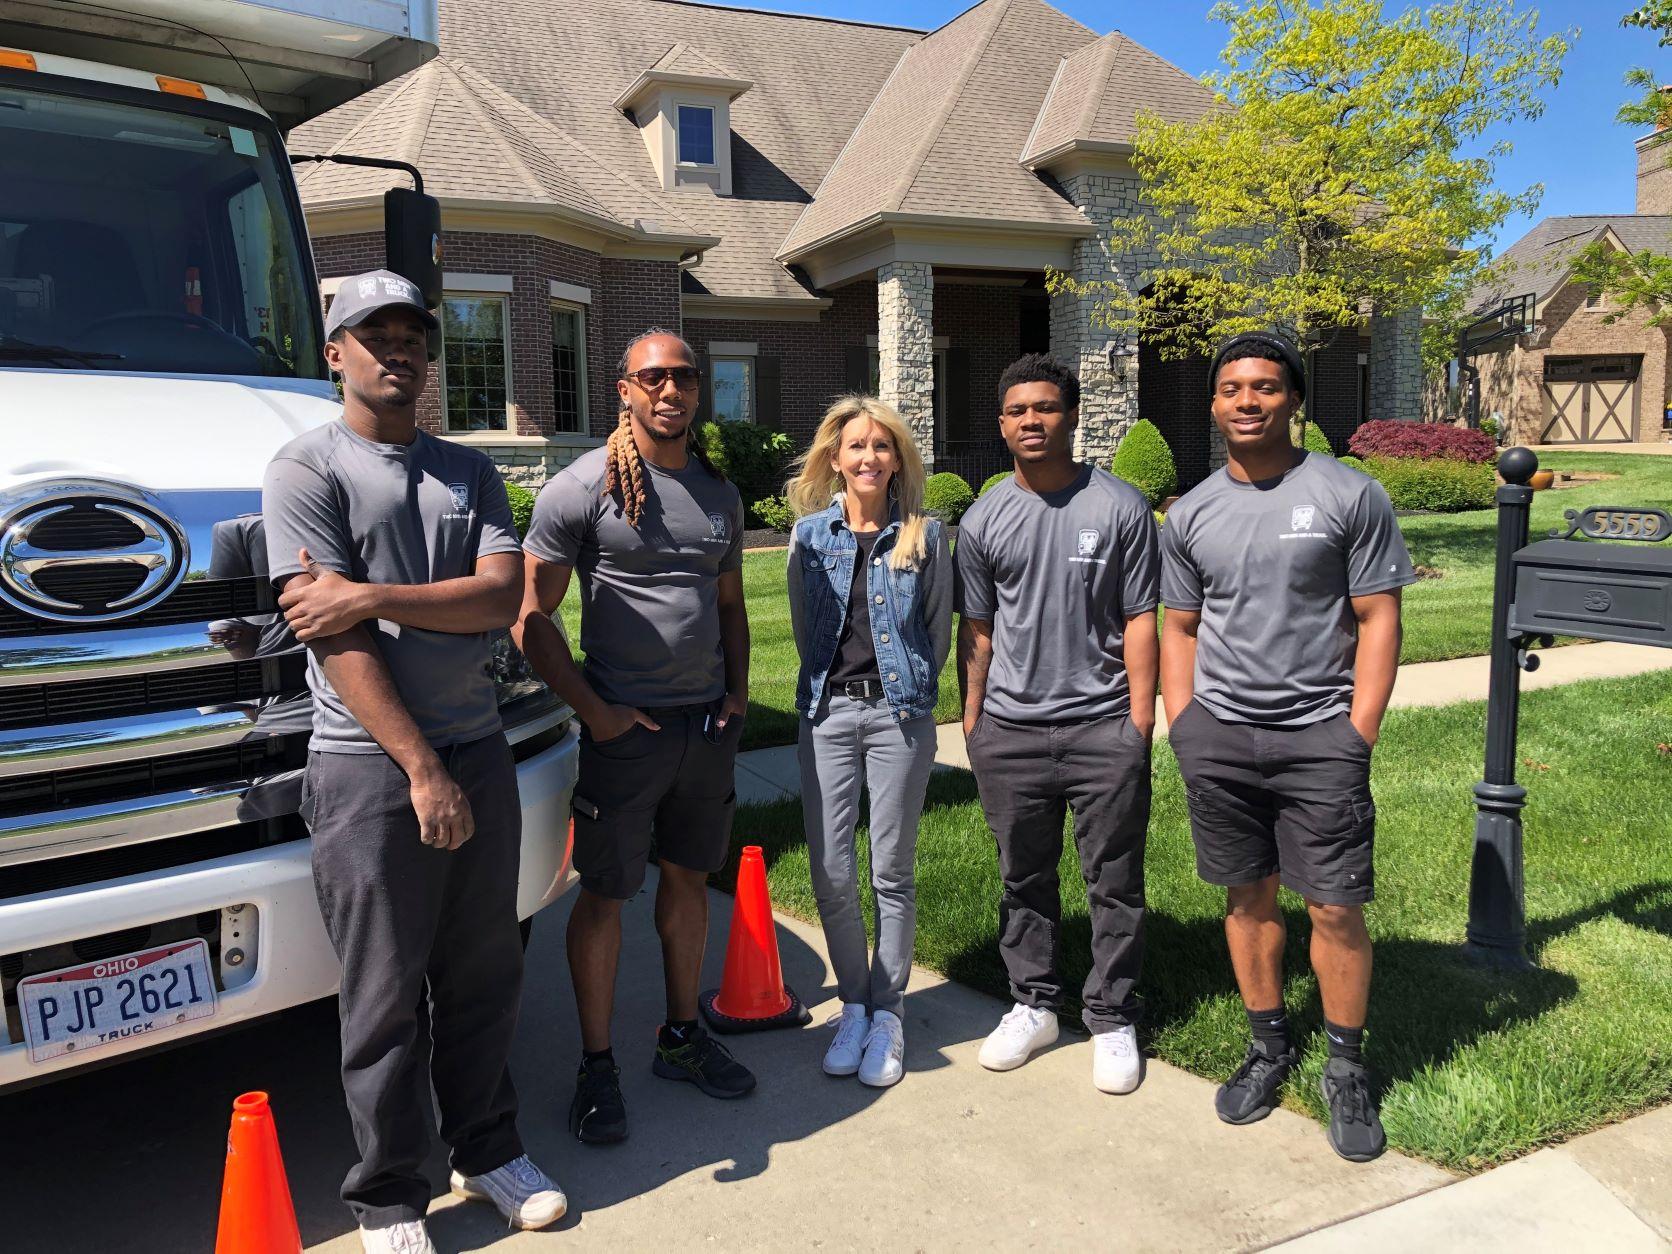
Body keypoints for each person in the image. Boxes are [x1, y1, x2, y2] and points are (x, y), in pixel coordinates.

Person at [261, 270, 565, 1254]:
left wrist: (370, 593)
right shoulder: (304, 469)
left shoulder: (467, 472)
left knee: (484, 973)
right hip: (368, 770)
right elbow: (328, 638)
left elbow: (496, 601)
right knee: (385, 994)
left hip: (475, 750)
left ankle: (486, 1150)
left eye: (412, 336)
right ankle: (389, 1199)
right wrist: (419, 770)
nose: (397, 350)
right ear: (336, 352)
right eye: (372, 333)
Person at [1159, 331, 1415, 1163]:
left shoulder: (1348, 494)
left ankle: (1345, 1065)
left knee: (1336, 905)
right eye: (1232, 387)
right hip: (1221, 738)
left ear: (1293, 400)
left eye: (1265, 387)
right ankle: (1269, 1046)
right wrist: (1184, 720)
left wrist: (1357, 731)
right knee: (1247, 899)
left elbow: (1379, 617)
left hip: (1319, 739)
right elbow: (1182, 626)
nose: (1247, 401)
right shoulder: (1191, 512)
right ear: (1213, 403)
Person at [513, 328, 755, 1146]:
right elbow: (530, 619)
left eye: (684, 376)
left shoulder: (720, 492)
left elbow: (730, 605)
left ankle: (683, 1037)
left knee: (690, 884)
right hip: (626, 734)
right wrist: (596, 711)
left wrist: (739, 691)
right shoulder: (582, 490)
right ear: (624, 388)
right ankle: (596, 1065)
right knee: (608, 895)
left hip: (704, 729)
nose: (670, 390)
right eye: (653, 377)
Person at [954, 353, 1159, 1095]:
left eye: (1045, 408)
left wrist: (1139, 721)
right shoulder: (983, 518)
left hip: (1103, 723)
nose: (1031, 421)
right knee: (1024, 878)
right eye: (1017, 411)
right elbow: (976, 630)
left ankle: (1111, 1015)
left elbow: (1141, 620)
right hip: (1009, 729)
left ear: (1071, 415)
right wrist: (974, 721)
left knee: (1114, 881)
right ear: (1001, 424)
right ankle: (1034, 1003)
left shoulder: (1121, 507)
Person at [783, 396, 952, 1088]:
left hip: (898, 718)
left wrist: (907, 695)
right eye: (856, 446)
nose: (869, 458)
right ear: (834, 457)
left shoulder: (926, 537)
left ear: (898, 460)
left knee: (891, 870)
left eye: (883, 447)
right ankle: (851, 1004)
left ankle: (889, 1014)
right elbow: (802, 630)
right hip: (827, 716)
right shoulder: (807, 537)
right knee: (830, 868)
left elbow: (936, 636)